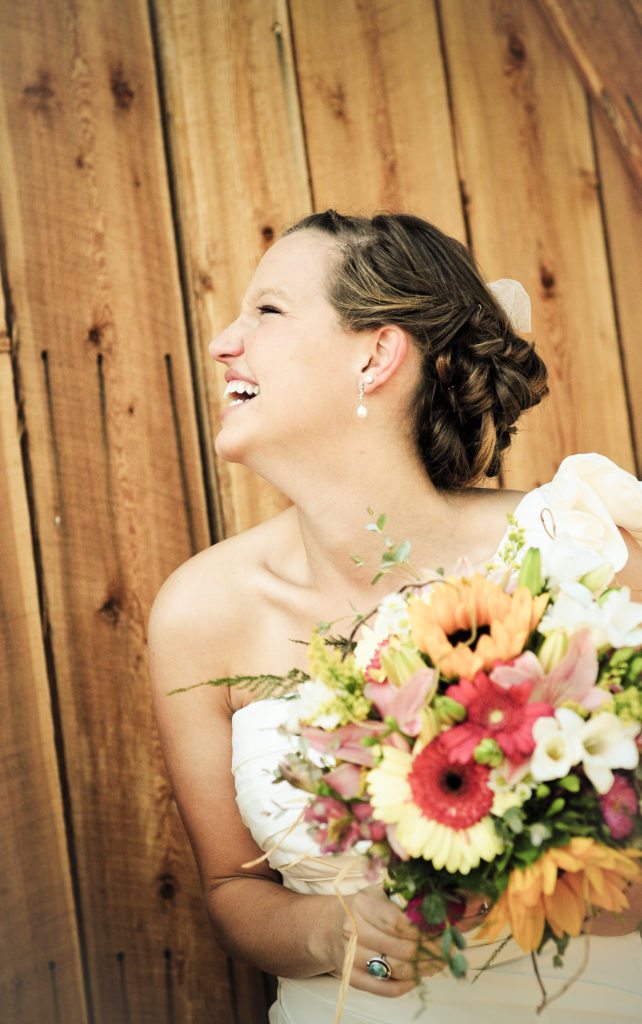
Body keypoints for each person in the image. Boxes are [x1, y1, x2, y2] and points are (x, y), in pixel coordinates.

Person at [148, 211, 642, 1023]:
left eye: (266, 312)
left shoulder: (578, 547)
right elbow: (233, 889)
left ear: (376, 354)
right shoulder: (203, 613)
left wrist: (514, 871)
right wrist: (338, 934)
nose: (221, 344)